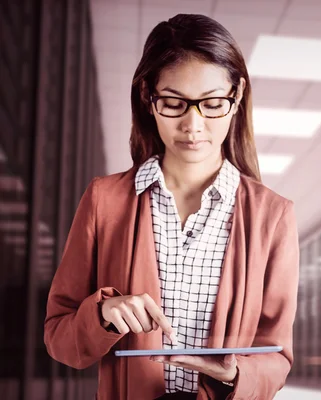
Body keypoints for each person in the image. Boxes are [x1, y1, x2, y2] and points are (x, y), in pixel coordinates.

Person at [44, 13, 299, 400]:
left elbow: (277, 355)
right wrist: (102, 316)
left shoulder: (272, 216)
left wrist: (235, 374)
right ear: (148, 96)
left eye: (212, 104)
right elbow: (59, 338)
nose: (193, 125)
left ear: (238, 96)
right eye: (174, 103)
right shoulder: (104, 200)